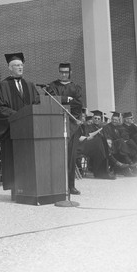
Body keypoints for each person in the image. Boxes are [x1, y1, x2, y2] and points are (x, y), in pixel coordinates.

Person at [0, 52, 40, 200]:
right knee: (14, 161)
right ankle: (15, 191)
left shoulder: (30, 85)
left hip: (28, 132)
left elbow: (37, 104)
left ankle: (29, 189)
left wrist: (28, 116)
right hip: (11, 131)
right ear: (9, 68)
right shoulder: (2, 86)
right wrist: (19, 115)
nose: (20, 68)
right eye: (16, 65)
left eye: (21, 65)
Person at [46, 62, 83, 194]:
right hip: (56, 124)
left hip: (72, 126)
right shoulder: (52, 86)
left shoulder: (76, 88)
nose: (63, 74)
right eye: (61, 72)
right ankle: (57, 186)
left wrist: (63, 100)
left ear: (70, 73)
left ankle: (70, 186)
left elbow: (78, 104)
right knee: (56, 157)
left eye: (66, 72)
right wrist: (66, 98)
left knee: (71, 157)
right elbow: (49, 100)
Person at [69, 110, 116, 180]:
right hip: (79, 146)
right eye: (81, 117)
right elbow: (76, 138)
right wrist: (87, 137)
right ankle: (103, 171)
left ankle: (103, 171)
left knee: (102, 142)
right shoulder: (81, 126)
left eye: (98, 118)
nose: (83, 119)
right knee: (99, 142)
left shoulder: (86, 126)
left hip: (89, 145)